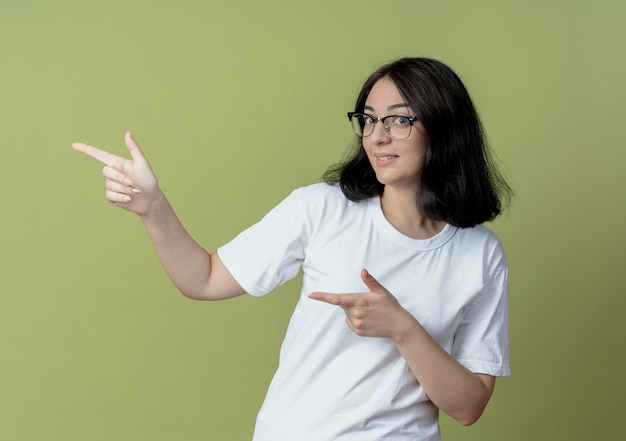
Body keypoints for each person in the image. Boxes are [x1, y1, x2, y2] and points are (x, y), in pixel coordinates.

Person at [73, 57, 512, 441]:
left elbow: (469, 407)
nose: (377, 136)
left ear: (445, 128)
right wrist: (153, 208)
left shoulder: (480, 254)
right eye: (369, 119)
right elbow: (203, 279)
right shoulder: (321, 208)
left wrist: (402, 327)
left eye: (399, 120)